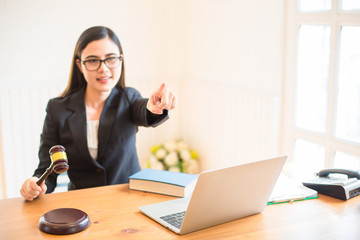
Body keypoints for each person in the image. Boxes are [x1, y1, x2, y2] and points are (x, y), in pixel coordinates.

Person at [20, 26, 176, 201]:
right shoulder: (58, 109)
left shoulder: (129, 98)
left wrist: (154, 106)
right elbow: (46, 171)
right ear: (80, 65)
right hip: (82, 206)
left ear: (120, 60)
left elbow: (144, 110)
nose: (103, 68)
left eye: (111, 59)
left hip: (128, 201)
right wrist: (35, 183)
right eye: (93, 60)